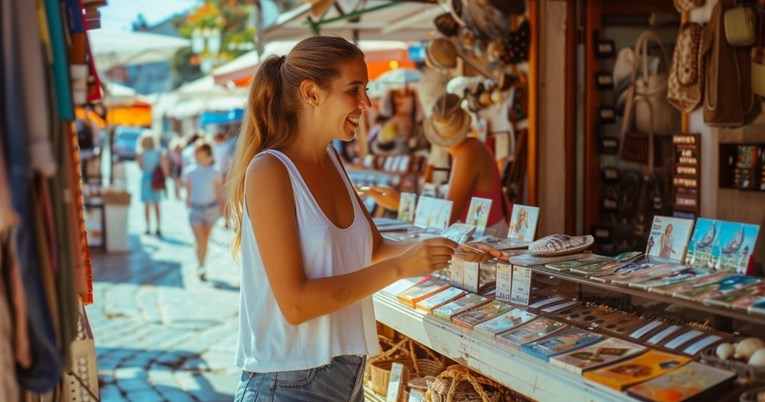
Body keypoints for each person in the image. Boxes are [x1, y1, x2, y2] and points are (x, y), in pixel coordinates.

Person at [225, 36, 495, 402]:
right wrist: (400, 269)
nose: (366, 103)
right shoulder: (270, 170)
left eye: (365, 90)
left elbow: (375, 246)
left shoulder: (333, 160)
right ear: (311, 93)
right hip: (287, 381)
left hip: (348, 373)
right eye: (354, 90)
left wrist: (448, 252)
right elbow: (295, 304)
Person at [363, 93, 509, 237]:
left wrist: (402, 203)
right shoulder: (465, 150)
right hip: (482, 236)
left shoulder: (469, 151)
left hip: (489, 239)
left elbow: (447, 217)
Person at [183, 140, 224, 281]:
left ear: (207, 153)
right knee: (200, 239)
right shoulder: (190, 171)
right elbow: (188, 192)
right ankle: (201, 266)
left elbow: (219, 193)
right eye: (196, 151)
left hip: (212, 210)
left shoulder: (215, 171)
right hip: (196, 210)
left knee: (205, 240)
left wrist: (224, 211)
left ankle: (202, 262)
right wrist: (187, 202)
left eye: (200, 150)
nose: (197, 153)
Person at [136, 132, 168, 236]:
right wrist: (165, 178)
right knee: (157, 204)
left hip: (145, 178)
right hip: (156, 178)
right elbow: (164, 168)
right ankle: (158, 227)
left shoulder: (141, 153)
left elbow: (140, 167)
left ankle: (148, 227)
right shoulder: (159, 152)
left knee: (147, 205)